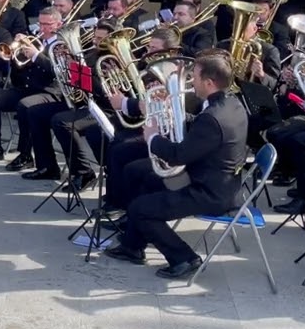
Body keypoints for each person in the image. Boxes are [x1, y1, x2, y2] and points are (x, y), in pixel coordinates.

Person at [103, 51, 249, 279]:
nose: (192, 81)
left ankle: (184, 258)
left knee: (140, 209)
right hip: (217, 180)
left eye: (195, 77)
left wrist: (152, 137)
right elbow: (201, 132)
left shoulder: (213, 117)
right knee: (141, 175)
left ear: (209, 83)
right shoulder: (231, 103)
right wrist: (170, 113)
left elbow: (177, 155)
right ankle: (132, 246)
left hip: (209, 192)